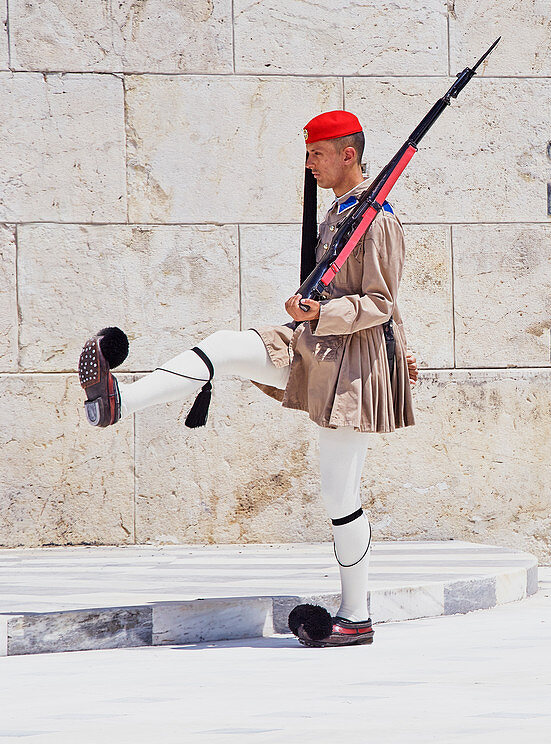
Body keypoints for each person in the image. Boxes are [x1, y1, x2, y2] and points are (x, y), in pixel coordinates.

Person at [77, 110, 417, 647]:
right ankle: (120, 399)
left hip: (352, 368)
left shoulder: (379, 219)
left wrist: (319, 314)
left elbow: (380, 303)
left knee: (339, 495)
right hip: (309, 345)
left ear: (348, 154)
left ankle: (356, 616)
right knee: (225, 346)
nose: (310, 166)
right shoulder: (341, 213)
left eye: (317, 155)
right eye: (308, 155)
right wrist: (307, 312)